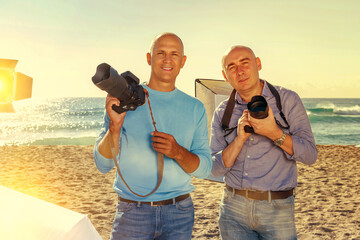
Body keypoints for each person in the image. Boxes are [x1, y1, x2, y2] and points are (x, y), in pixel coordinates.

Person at [93, 32, 212, 240]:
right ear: (149, 58)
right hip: (132, 214)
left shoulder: (196, 108)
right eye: (160, 53)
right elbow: (103, 165)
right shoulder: (122, 101)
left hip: (179, 214)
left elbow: (204, 169)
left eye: (174, 54)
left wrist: (177, 152)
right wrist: (115, 126)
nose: (167, 60)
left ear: (183, 61)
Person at [210, 45, 318, 240]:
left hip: (278, 209)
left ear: (258, 64)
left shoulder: (287, 100)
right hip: (233, 209)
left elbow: (310, 155)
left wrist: (275, 133)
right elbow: (214, 169)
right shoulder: (223, 111)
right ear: (225, 76)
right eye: (232, 67)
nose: (240, 71)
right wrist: (239, 140)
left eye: (245, 63)